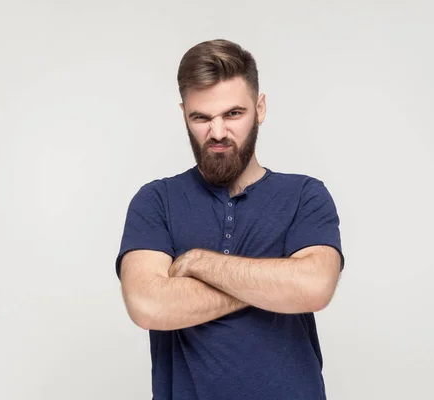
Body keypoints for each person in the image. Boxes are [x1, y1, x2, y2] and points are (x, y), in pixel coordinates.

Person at [115, 39, 345, 400]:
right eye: (201, 117)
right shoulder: (156, 201)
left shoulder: (304, 195)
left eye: (233, 114)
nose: (218, 132)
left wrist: (197, 262)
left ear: (260, 107)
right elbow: (149, 306)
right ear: (184, 114)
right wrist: (277, 281)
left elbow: (314, 287)